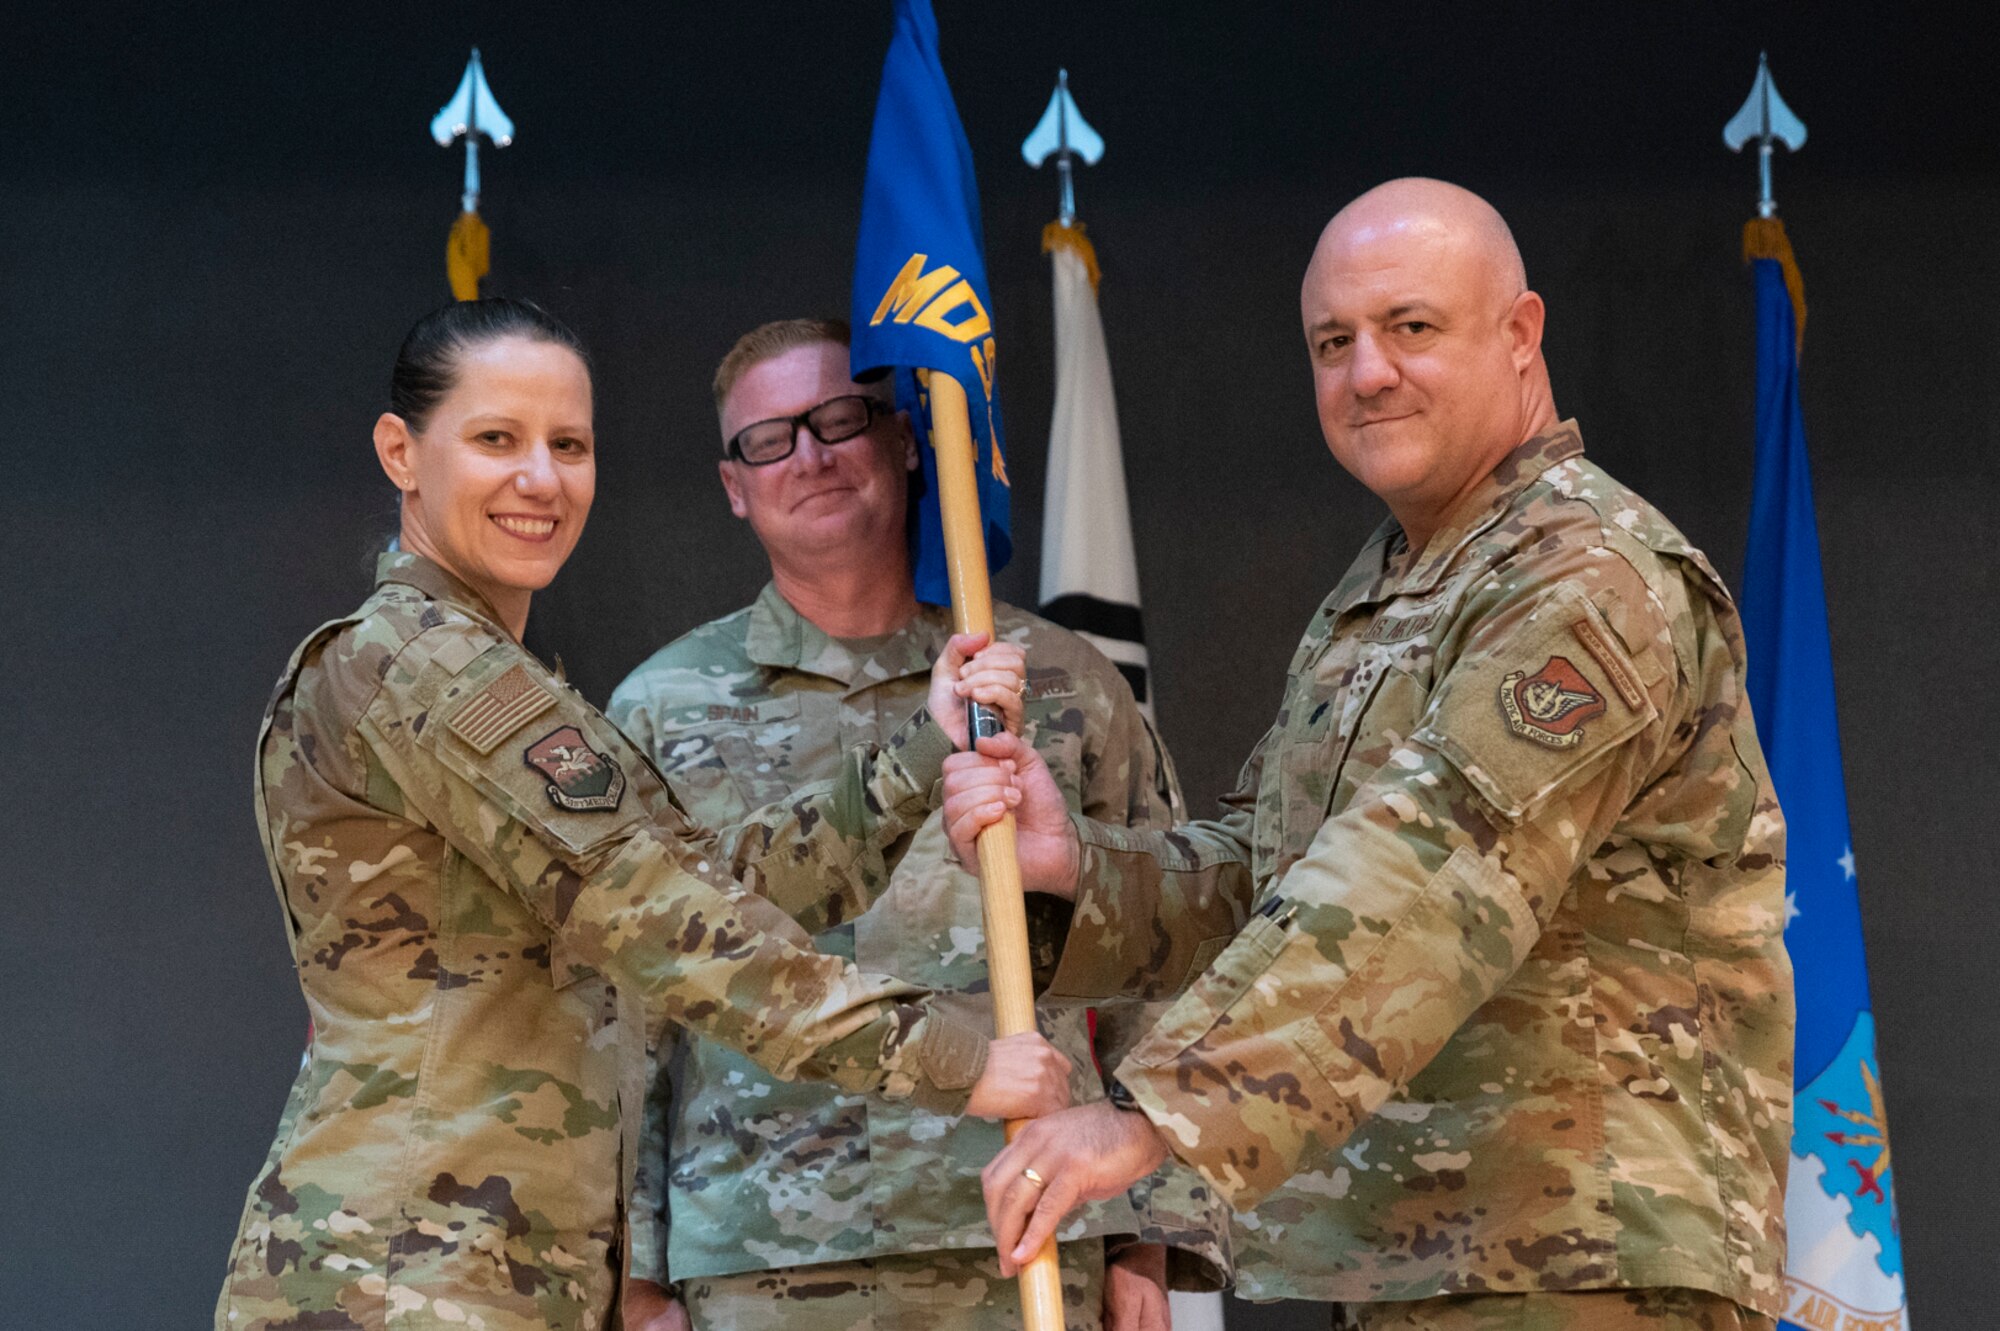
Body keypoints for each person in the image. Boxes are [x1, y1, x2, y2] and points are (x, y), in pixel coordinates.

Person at [943, 179, 1795, 1330]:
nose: (1366, 372)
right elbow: (1273, 876)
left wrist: (1152, 1115)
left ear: (1520, 333)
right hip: (1417, 1253)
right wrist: (1078, 869)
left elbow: (1426, 881)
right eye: (1331, 342)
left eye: (1410, 328)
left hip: (1582, 1260)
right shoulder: (1389, 586)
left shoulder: (1587, 579)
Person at [215, 298, 1073, 1331]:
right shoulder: (417, 665)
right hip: (398, 1274)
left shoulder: (504, 679)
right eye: (497, 438)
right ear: (401, 451)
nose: (541, 478)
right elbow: (670, 923)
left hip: (481, 1272)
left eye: (567, 444)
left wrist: (914, 756)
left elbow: (708, 885)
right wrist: (956, 1056)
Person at [608, 319, 1229, 1331]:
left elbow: (1158, 962)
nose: (809, 455)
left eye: (838, 419)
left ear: (903, 437)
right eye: (769, 438)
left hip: (1028, 1228)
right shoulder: (656, 708)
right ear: (732, 484)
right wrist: (635, 1282)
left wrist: (1148, 1236)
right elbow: (625, 1012)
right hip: (761, 1254)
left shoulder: (1058, 678)